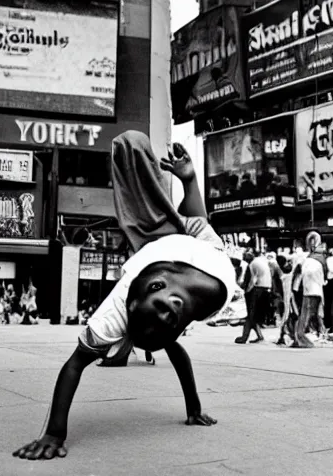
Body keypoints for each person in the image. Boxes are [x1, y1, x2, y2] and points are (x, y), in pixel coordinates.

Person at [12, 130, 236, 460]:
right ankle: (178, 176)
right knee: (187, 222)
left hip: (152, 250)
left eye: (161, 304)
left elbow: (74, 364)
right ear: (181, 323)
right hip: (196, 247)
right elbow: (197, 220)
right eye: (172, 316)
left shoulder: (119, 305)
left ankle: (137, 159)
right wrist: (190, 183)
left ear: (148, 290)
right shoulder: (216, 288)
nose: (170, 306)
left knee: (130, 147)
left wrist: (53, 431)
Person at [293, 232, 327, 348]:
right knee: (314, 314)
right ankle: (319, 333)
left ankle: (302, 338)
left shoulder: (306, 259)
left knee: (304, 315)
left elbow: (298, 272)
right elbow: (325, 277)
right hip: (316, 290)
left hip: (308, 290)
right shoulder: (320, 259)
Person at [235, 250, 271, 344]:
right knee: (253, 315)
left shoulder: (252, 265)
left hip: (257, 289)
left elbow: (253, 280)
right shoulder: (260, 261)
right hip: (265, 288)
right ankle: (259, 336)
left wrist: (247, 291)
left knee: (251, 315)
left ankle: (244, 337)